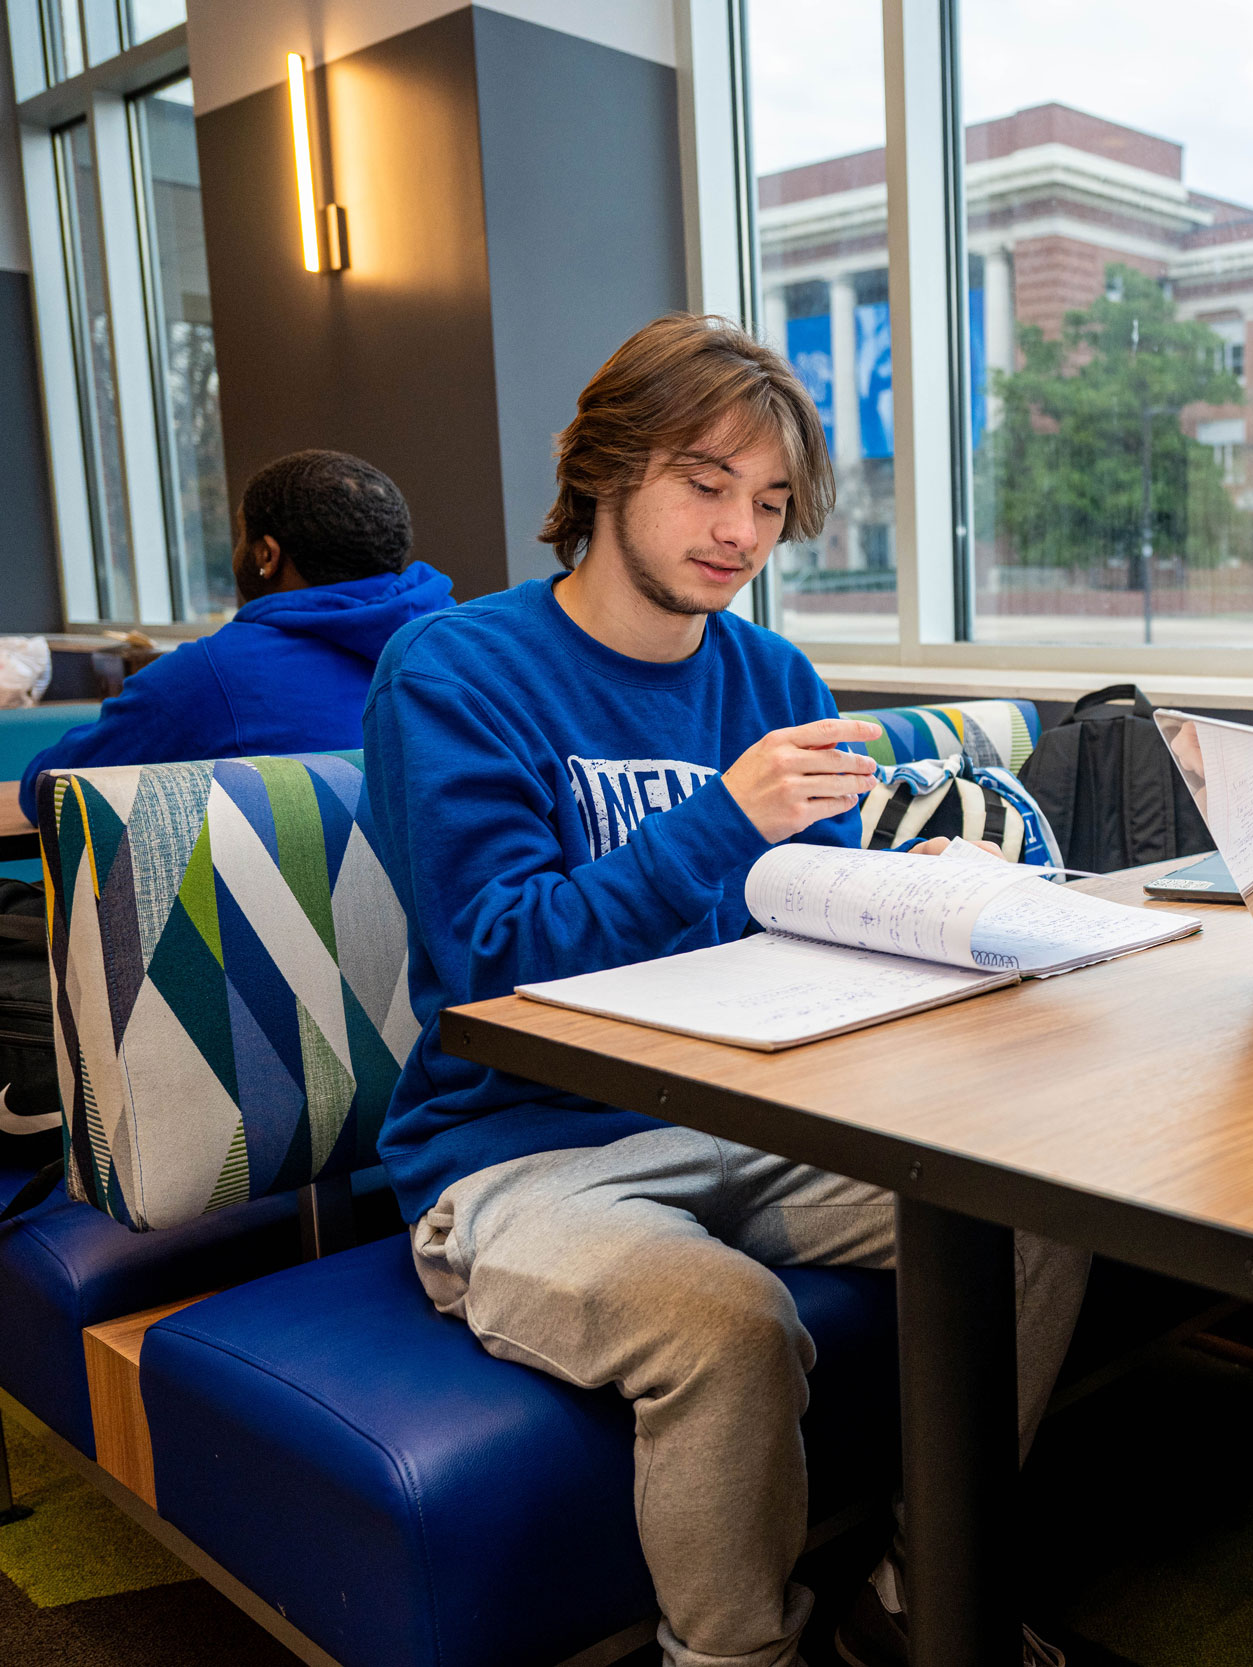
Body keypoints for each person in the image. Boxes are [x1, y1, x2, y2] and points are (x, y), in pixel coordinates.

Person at [362, 314, 1086, 1667]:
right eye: (705, 481)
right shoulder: (457, 672)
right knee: (730, 1326)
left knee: (1047, 1204)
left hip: (754, 1121)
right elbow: (491, 960)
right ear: (604, 469)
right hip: (517, 1151)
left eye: (767, 503)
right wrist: (721, 823)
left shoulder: (770, 676)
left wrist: (912, 884)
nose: (739, 531)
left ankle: (923, 1591)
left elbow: (801, 919)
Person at [17, 449, 450, 825]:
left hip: (279, 920)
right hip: (445, 912)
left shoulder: (209, 675)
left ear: (267, 555)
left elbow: (51, 793)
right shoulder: (461, 644)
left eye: (242, 534)